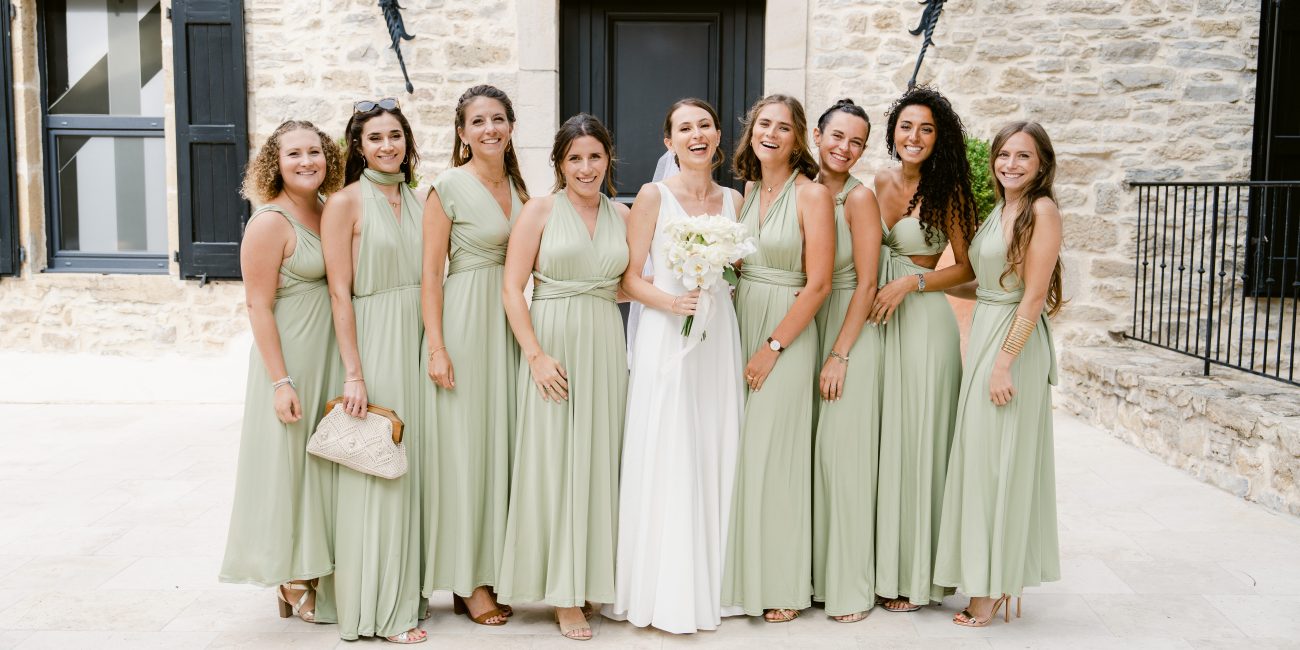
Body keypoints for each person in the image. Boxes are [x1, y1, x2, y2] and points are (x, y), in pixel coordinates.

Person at [606, 98, 746, 634]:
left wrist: (715, 279)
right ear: (669, 142)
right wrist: (672, 303)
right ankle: (663, 589)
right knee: (670, 445)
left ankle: (716, 581)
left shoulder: (734, 199)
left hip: (717, 336)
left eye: (705, 126)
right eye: (684, 128)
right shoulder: (651, 196)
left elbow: (737, 273)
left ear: (717, 137)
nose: (696, 135)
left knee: (714, 441)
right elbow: (628, 279)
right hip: (669, 335)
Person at [496, 113, 630, 641]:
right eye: (575, 158)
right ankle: (563, 592)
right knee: (555, 463)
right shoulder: (540, 210)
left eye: (595, 156)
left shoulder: (623, 213)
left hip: (604, 339)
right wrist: (535, 355)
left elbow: (625, 285)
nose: (586, 167)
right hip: (553, 343)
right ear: (559, 163)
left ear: (608, 160)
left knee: (600, 458)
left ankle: (594, 574)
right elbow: (512, 289)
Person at [934, 121, 1063, 627]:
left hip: (1013, 347)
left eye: (1023, 157)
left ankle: (989, 591)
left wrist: (1004, 362)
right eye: (1004, 155)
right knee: (979, 461)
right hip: (989, 332)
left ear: (1042, 165)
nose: (1010, 165)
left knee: (998, 464)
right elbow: (987, 287)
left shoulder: (1042, 211)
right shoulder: (1001, 209)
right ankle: (988, 577)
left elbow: (1032, 297)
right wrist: (920, 284)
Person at [219, 120, 344, 624]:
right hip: (289, 360)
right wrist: (280, 380)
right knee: (287, 468)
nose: (307, 161)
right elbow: (257, 306)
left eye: (315, 151)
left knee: (321, 468)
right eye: (295, 154)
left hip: (329, 356)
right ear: (276, 161)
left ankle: (318, 565)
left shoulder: (325, 210)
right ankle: (290, 575)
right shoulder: (269, 222)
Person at [721, 94, 834, 623]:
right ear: (752, 132)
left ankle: (786, 581)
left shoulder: (813, 196)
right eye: (763, 124)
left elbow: (819, 285)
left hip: (786, 330)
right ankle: (744, 577)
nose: (771, 133)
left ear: (798, 138)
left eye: (783, 127)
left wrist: (772, 347)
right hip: (740, 321)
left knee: (778, 458)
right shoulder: (743, 194)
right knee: (745, 455)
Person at [419, 85, 529, 627]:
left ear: (511, 126)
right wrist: (437, 347)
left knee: (499, 449)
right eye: (478, 121)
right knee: (464, 454)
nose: (490, 129)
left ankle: (495, 565)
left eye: (499, 119)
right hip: (464, 322)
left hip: (510, 326)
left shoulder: (520, 186)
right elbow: (430, 276)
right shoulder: (448, 187)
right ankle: (467, 580)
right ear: (462, 133)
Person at [320, 97, 427, 644]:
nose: (388, 145)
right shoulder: (344, 203)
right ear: (358, 148)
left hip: (419, 336)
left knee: (411, 470)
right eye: (375, 138)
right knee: (376, 470)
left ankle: (409, 592)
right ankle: (377, 610)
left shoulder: (418, 198)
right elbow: (339, 291)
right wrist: (354, 373)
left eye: (395, 135)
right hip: (376, 335)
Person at [870, 85, 978, 613]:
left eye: (926, 129)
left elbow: (966, 267)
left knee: (919, 442)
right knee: (886, 440)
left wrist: (910, 283)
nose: (914, 137)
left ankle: (916, 577)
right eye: (907, 126)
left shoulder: (950, 189)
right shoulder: (879, 180)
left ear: (939, 139)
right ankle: (880, 565)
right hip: (878, 322)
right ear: (893, 130)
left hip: (923, 321)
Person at [807, 99, 884, 623]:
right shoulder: (795, 188)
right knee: (809, 462)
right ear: (817, 134)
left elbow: (868, 282)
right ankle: (810, 575)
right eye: (838, 136)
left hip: (848, 331)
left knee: (843, 462)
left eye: (857, 141)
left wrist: (839, 354)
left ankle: (850, 585)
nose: (845, 148)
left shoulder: (859, 200)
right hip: (804, 325)